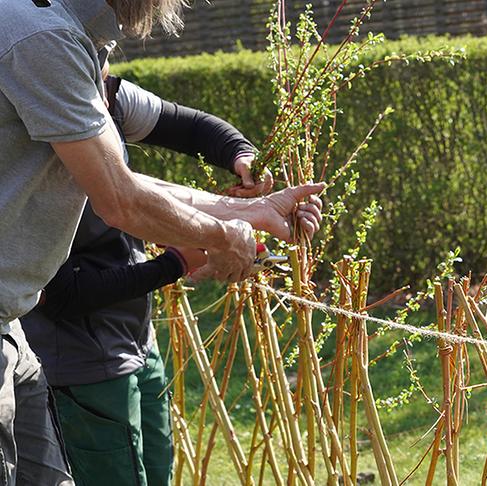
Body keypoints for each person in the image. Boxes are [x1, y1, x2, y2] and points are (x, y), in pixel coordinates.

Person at [0, 0, 322, 483]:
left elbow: (133, 176)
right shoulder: (43, 39)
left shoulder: (67, 38)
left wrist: (249, 211)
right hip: (70, 349)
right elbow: (121, 199)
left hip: (13, 326)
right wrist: (213, 242)